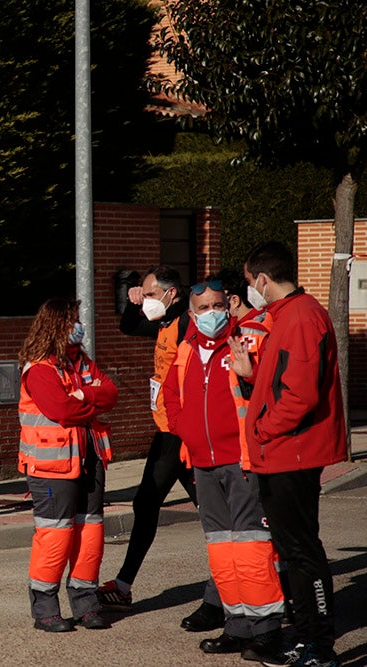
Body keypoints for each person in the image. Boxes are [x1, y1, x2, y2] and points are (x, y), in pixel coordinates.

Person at [162, 278, 285, 662]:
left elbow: (270, 390)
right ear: (191, 314)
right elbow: (170, 396)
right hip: (203, 463)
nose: (212, 313)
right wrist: (188, 431)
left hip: (242, 460)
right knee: (222, 551)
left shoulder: (247, 341)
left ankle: (265, 631)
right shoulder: (185, 351)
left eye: (218, 305)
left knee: (251, 549)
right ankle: (236, 626)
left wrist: (249, 372)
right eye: (203, 308)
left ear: (228, 305)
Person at [97, 265, 224, 633]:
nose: (147, 300)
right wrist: (133, 303)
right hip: (169, 430)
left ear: (171, 294)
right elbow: (128, 327)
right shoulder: (166, 320)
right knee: (152, 503)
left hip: (185, 434)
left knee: (215, 515)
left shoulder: (188, 322)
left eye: (151, 294)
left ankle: (240, 587)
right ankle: (123, 586)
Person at [237, 241, 346, 667]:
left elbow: (298, 395)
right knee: (293, 549)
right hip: (281, 450)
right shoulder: (289, 316)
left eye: (249, 282)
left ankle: (319, 645)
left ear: (263, 279)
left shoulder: (299, 317)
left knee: (301, 551)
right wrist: (251, 378)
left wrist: (263, 429)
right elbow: (281, 383)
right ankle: (305, 638)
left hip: (290, 451)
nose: (250, 290)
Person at [18, 298, 118, 632]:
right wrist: (89, 400)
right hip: (52, 467)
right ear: (56, 326)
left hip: (89, 459)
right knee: (55, 536)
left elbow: (112, 393)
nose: (79, 325)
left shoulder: (80, 362)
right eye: (72, 320)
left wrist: (83, 397)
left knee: (90, 533)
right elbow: (62, 410)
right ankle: (45, 609)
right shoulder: (39, 369)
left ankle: (86, 603)